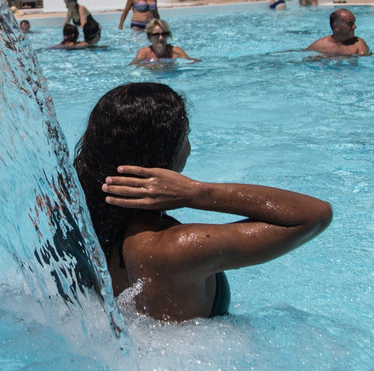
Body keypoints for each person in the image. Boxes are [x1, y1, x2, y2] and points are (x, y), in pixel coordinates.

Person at [74, 83, 332, 321]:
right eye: (186, 136)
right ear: (164, 153)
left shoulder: (77, 222)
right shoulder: (173, 247)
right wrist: (197, 193)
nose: (189, 147)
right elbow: (314, 215)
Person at [131, 19, 198, 64]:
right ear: (149, 38)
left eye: (164, 34)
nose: (161, 37)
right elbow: (133, 67)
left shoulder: (175, 52)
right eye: (156, 35)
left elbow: (194, 62)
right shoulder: (144, 53)